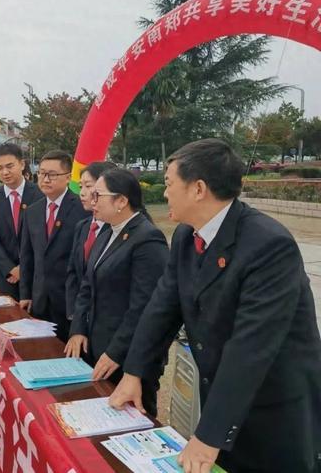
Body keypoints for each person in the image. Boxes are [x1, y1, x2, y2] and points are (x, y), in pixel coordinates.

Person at [110, 139, 321, 473]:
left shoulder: (268, 245)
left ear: (198, 189)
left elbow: (251, 348)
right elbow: (162, 308)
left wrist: (208, 435)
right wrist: (134, 371)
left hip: (273, 406)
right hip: (223, 398)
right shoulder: (184, 236)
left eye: (168, 184)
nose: (164, 195)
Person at [65, 168, 169, 416]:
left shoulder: (147, 239)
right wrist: (78, 328)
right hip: (98, 346)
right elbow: (87, 285)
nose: (91, 200)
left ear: (121, 201)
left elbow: (143, 307)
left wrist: (116, 351)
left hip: (128, 356)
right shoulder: (106, 231)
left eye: (98, 195)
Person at [19, 150, 90, 341]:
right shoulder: (32, 211)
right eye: (41, 173)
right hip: (40, 299)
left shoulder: (83, 210)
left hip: (69, 301)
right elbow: (27, 256)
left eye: (52, 174)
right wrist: (25, 293)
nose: (45, 179)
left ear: (68, 178)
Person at [0, 144, 43, 300]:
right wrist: (11, 269)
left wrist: (25, 269)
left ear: (22, 164)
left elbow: (45, 238)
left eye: (10, 166)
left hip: (37, 276)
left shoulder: (40, 196)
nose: (5, 172)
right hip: (7, 277)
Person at [65, 161, 115, 321]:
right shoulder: (83, 226)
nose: (82, 193)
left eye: (88, 186)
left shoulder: (118, 228)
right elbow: (73, 271)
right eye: (81, 187)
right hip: (81, 315)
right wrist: (75, 314)